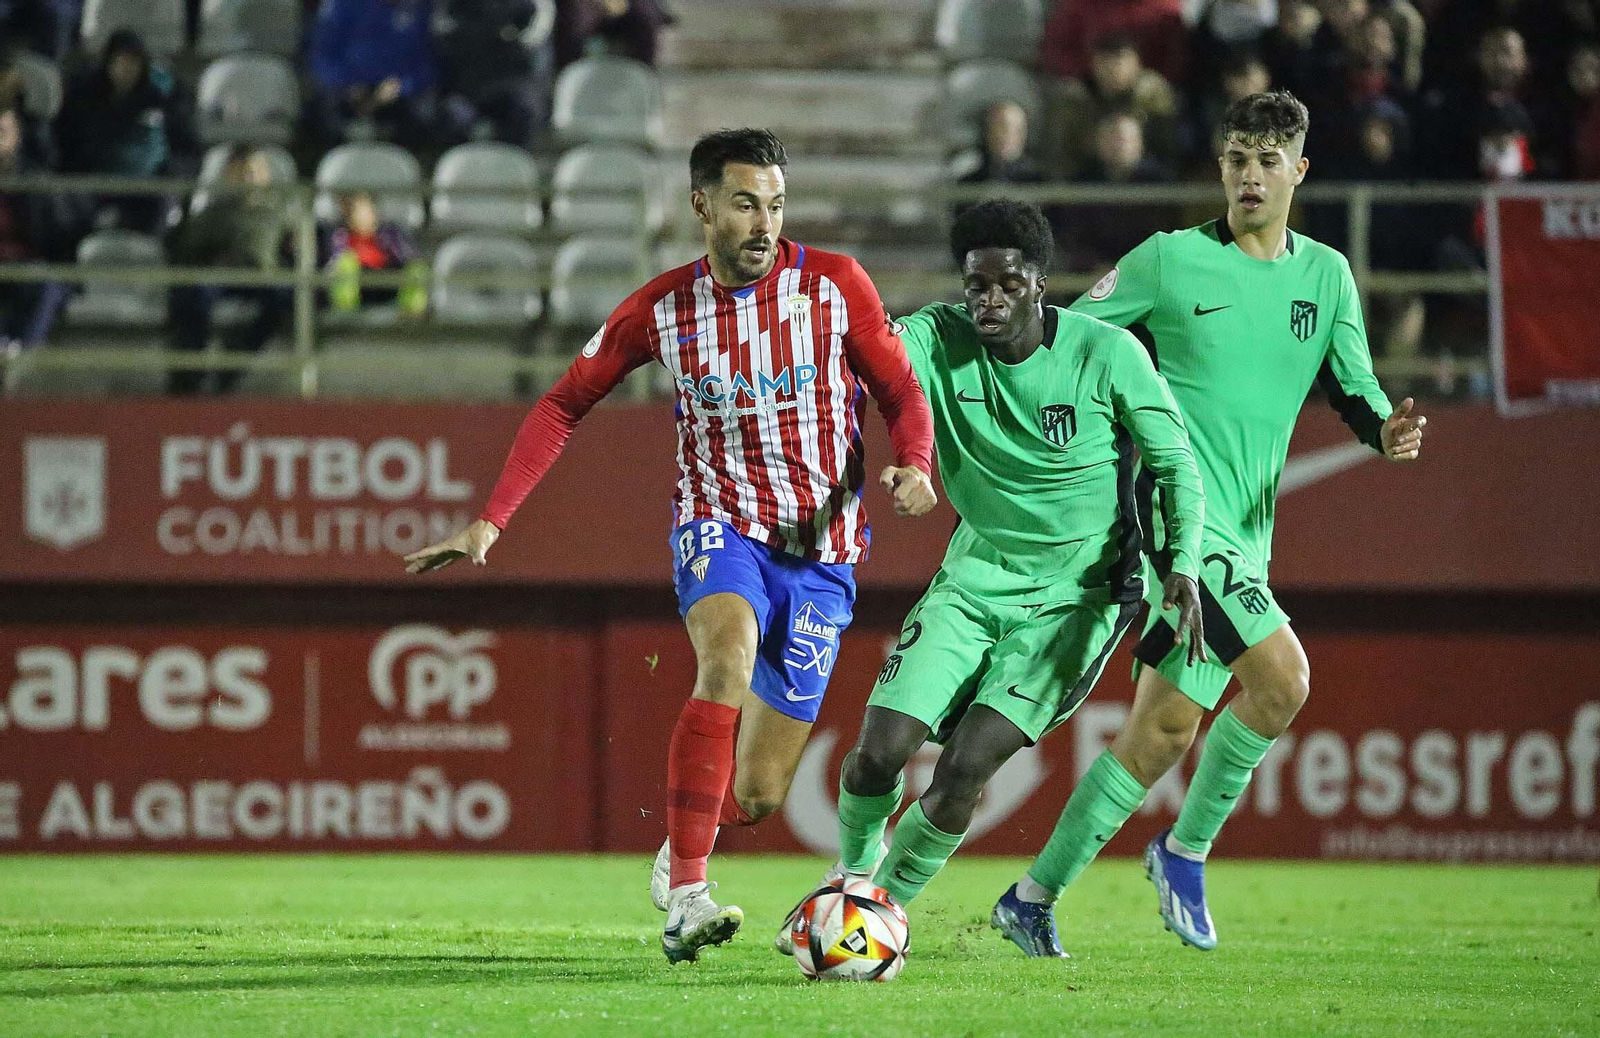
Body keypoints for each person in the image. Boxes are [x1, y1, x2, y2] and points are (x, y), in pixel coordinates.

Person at [400, 128, 937, 964]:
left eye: (776, 204)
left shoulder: (835, 286)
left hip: (824, 555)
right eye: (745, 203)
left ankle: (692, 833)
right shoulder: (661, 310)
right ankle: (689, 896)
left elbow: (899, 385)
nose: (764, 222)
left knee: (756, 795)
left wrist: (915, 461)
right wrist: (492, 518)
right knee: (724, 658)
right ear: (701, 207)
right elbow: (560, 405)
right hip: (718, 527)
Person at [1001, 90, 1427, 955]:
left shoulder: (1326, 276)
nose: (1250, 177)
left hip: (1247, 536)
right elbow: (1070, 336)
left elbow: (1354, 387)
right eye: (1236, 159)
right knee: (1283, 682)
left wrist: (1386, 429)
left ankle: (1029, 899)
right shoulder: (1166, 261)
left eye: (1269, 161)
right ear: (1221, 168)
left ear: (1298, 172)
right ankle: (1185, 849)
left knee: (1160, 732)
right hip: (1176, 517)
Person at [773, 199, 1205, 957]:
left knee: (967, 767)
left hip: (1079, 600)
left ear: (1040, 285)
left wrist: (1186, 566)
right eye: (978, 285)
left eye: (1008, 284)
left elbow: (1175, 466)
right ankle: (850, 875)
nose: (990, 300)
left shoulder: (1107, 354)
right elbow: (861, 343)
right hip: (971, 582)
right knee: (877, 752)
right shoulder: (937, 339)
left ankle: (878, 917)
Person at [165, 146, 292, 395]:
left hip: (263, 278)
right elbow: (188, 250)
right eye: (242, 171)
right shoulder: (213, 212)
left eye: (255, 170)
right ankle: (190, 377)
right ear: (228, 174)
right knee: (193, 294)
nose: (249, 177)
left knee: (286, 296)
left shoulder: (281, 213)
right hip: (220, 277)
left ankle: (232, 365)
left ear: (266, 174)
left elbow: (297, 250)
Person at [55, 30, 195, 234]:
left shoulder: (163, 100)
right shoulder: (82, 99)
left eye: (132, 62)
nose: (126, 69)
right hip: (93, 186)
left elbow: (185, 148)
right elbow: (67, 147)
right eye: (120, 61)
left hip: (148, 190)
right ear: (108, 63)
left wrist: (169, 174)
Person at [310, 0, 442, 151]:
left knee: (425, 113)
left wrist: (402, 87)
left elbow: (427, 65)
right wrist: (349, 85)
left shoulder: (420, 8)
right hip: (347, 89)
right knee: (325, 111)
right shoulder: (341, 4)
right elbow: (322, 56)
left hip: (398, 94)